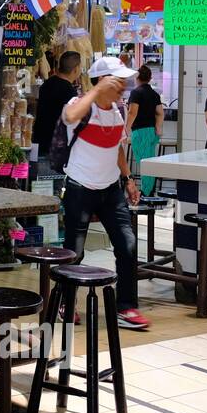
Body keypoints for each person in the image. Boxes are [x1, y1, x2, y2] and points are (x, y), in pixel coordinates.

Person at [61, 57, 148, 330]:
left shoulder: (116, 110)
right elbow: (69, 118)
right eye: (117, 81)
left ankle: (126, 308)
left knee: (127, 245)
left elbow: (117, 148)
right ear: (102, 81)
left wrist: (128, 178)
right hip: (80, 188)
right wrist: (96, 91)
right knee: (74, 252)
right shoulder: (79, 106)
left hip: (111, 189)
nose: (123, 86)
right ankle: (66, 303)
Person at [32, 51, 81, 157]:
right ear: (76, 69)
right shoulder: (70, 92)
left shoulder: (47, 83)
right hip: (56, 147)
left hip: (39, 140)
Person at [126, 65, 164, 197]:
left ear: (137, 77)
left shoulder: (136, 93)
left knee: (143, 162)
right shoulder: (154, 94)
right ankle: (148, 191)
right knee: (149, 161)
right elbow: (160, 113)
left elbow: (132, 113)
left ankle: (146, 193)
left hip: (140, 132)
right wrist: (158, 129)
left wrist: (125, 130)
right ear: (150, 78)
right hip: (152, 132)